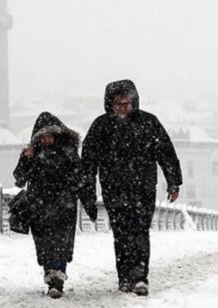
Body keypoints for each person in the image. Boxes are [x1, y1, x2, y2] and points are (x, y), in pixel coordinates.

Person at [82, 80, 182, 296]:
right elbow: (88, 163)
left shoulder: (148, 122)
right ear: (110, 104)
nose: (123, 108)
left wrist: (173, 181)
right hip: (114, 189)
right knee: (121, 233)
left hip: (143, 188)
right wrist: (87, 192)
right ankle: (125, 277)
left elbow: (166, 152)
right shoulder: (101, 126)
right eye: (118, 104)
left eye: (127, 103)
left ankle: (139, 277)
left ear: (134, 102)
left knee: (140, 231)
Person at [13, 112, 97, 299]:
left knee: (61, 243)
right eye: (43, 136)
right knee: (44, 244)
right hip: (39, 207)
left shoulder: (69, 154)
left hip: (63, 207)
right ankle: (50, 275)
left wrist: (89, 203)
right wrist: (26, 158)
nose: (47, 139)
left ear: (58, 134)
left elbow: (81, 181)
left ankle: (57, 279)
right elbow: (19, 179)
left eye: (50, 135)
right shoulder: (33, 155)